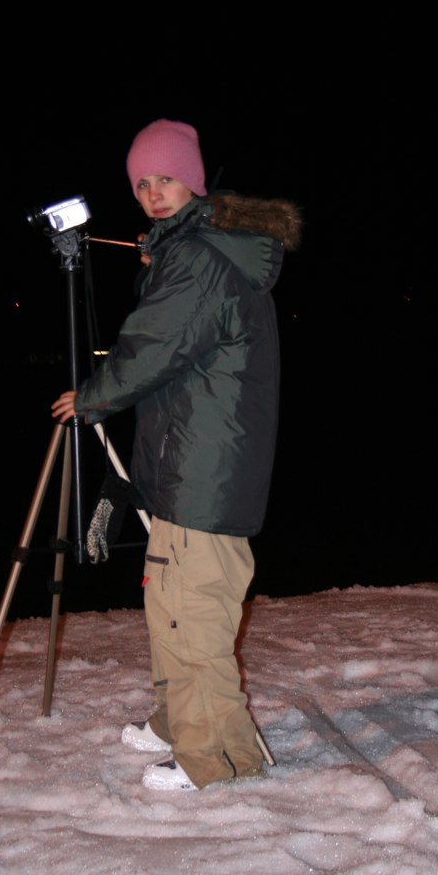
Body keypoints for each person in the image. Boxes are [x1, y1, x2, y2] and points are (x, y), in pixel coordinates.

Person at [52, 118, 302, 791]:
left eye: (165, 178)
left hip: (207, 469)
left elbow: (155, 342)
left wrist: (95, 397)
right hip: (187, 462)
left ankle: (218, 756)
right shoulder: (193, 251)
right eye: (142, 183)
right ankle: (177, 718)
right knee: (168, 599)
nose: (153, 192)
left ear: (191, 180)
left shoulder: (201, 258)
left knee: (195, 617)